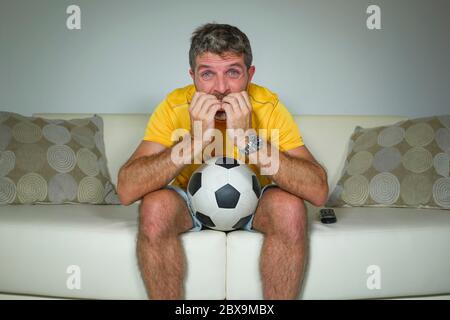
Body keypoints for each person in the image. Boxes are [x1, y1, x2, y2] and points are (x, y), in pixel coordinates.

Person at [117, 23, 328, 300]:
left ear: (249, 75)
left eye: (232, 72)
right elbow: (126, 189)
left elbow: (318, 190)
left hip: (256, 204)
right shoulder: (174, 105)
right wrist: (194, 142)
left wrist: (248, 140)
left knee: (289, 207)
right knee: (155, 207)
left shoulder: (267, 105)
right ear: (192, 76)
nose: (220, 88)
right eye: (207, 74)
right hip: (189, 204)